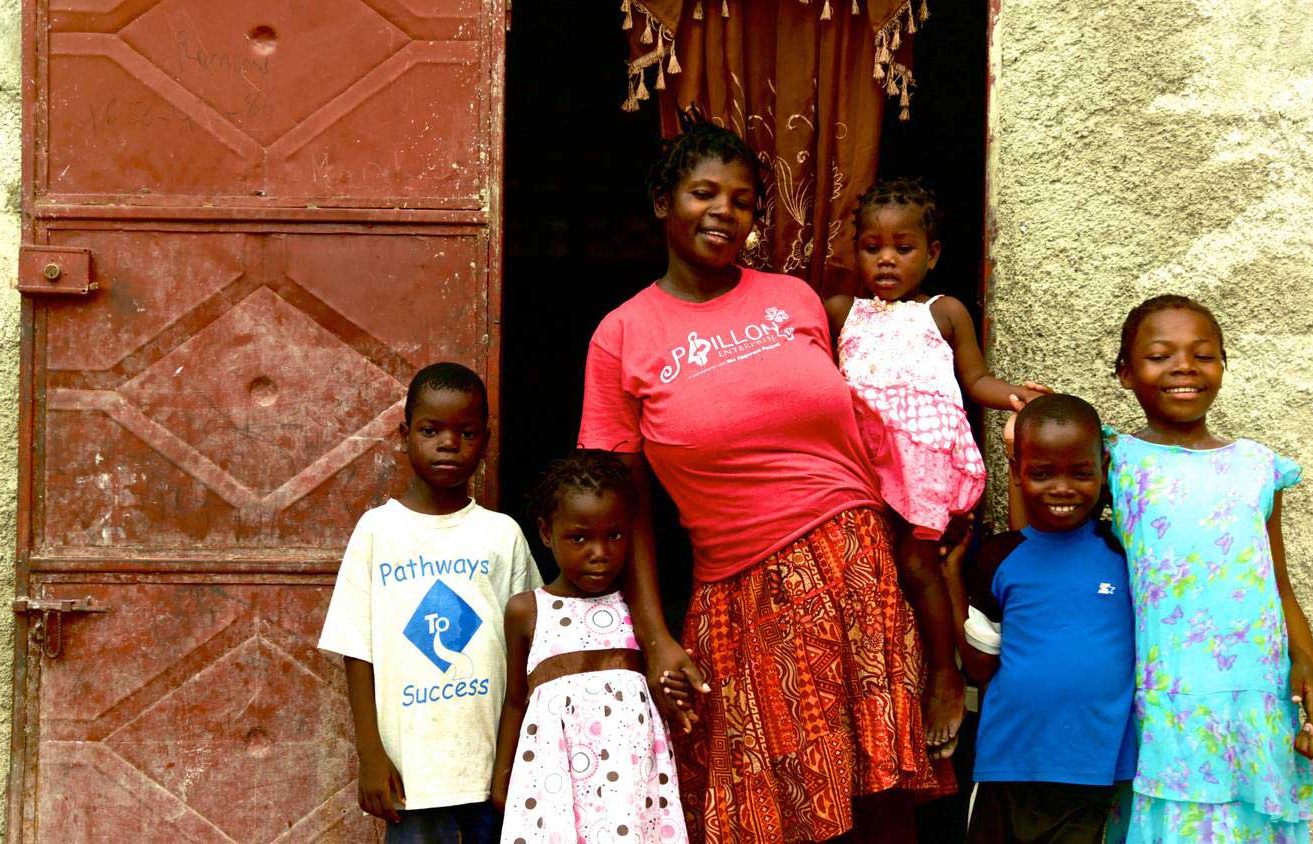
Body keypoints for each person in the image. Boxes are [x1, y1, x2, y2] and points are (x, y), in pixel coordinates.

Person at [579, 111, 952, 844]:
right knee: (771, 817)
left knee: (883, 809)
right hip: (742, 595)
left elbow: (889, 413)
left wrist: (938, 512)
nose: (724, 211)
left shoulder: (796, 300)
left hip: (859, 574)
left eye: (743, 200)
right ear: (662, 203)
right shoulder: (622, 335)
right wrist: (653, 635)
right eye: (704, 193)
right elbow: (624, 509)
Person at [1103, 295, 1313, 841]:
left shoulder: (1258, 466)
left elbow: (1279, 587)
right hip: (1167, 696)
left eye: (1203, 355)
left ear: (1223, 366)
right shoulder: (1114, 460)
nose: (1184, 367)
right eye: (1159, 356)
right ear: (1125, 373)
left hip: (1257, 697)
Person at [824, 178, 1049, 750]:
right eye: (872, 247)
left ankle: (945, 674)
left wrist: (1022, 400)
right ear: (855, 252)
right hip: (861, 461)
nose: (886, 259)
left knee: (916, 559)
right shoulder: (841, 312)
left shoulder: (943, 312)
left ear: (932, 254)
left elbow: (976, 380)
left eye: (903, 248)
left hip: (923, 458)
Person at [318, 362, 542, 843]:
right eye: (430, 430)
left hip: (491, 770)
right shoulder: (378, 532)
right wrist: (370, 755)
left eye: (467, 433)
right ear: (404, 436)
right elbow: (356, 649)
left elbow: (529, 648)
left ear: (486, 440)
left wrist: (520, 757)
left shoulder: (502, 535)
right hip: (411, 775)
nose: (449, 443)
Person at [947, 394, 1135, 844]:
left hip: (1095, 769)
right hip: (1008, 764)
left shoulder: (1126, 554)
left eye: (1081, 473)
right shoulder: (998, 557)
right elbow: (979, 666)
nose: (1062, 488)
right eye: (1042, 473)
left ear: (1104, 468)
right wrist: (951, 574)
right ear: (1016, 473)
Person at [491, 450, 687, 843]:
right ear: (546, 533)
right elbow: (515, 701)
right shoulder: (527, 611)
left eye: (614, 536)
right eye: (579, 538)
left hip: (630, 784)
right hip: (555, 783)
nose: (599, 553)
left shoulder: (638, 609)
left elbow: (661, 686)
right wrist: (502, 777)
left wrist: (675, 688)